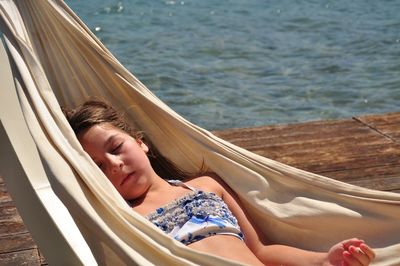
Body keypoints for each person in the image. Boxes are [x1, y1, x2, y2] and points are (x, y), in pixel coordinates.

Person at [63, 100, 376, 266]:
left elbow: (262, 252)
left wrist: (324, 259)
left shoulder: (206, 185)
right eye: (98, 167)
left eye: (116, 148)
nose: (114, 165)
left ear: (140, 142)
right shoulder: (119, 218)